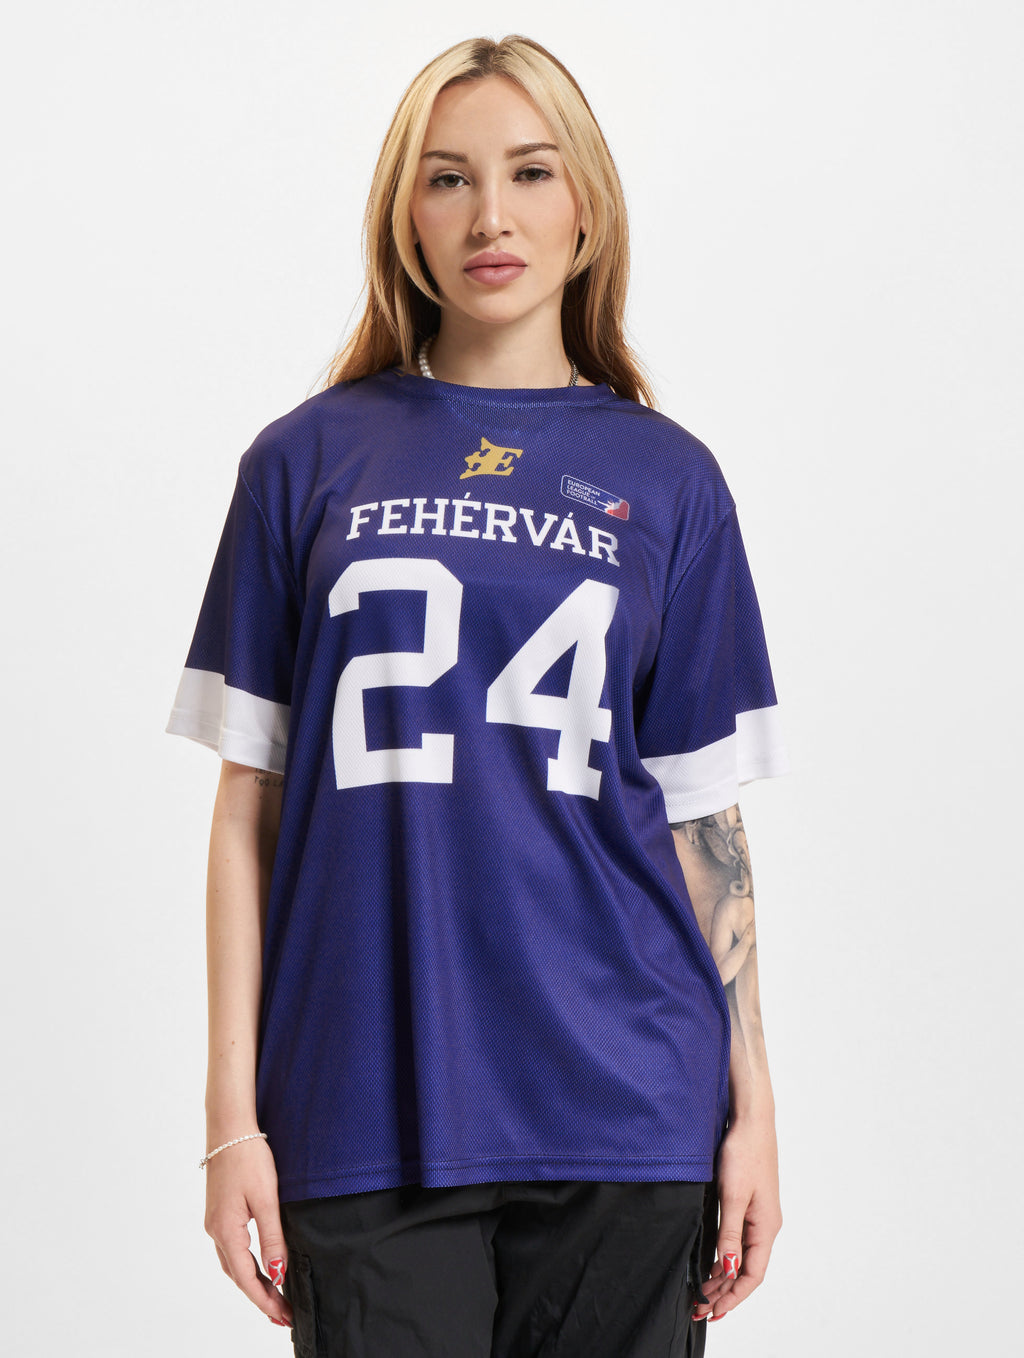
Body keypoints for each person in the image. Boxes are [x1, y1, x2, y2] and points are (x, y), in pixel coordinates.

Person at [167, 33, 789, 1358]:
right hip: (362, 1103)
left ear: (587, 210)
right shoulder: (302, 463)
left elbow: (704, 826)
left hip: (629, 1104)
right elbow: (245, 812)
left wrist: (756, 1109)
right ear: (406, 218)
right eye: (448, 178)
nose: (490, 215)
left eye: (530, 172)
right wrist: (231, 1120)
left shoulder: (672, 481)